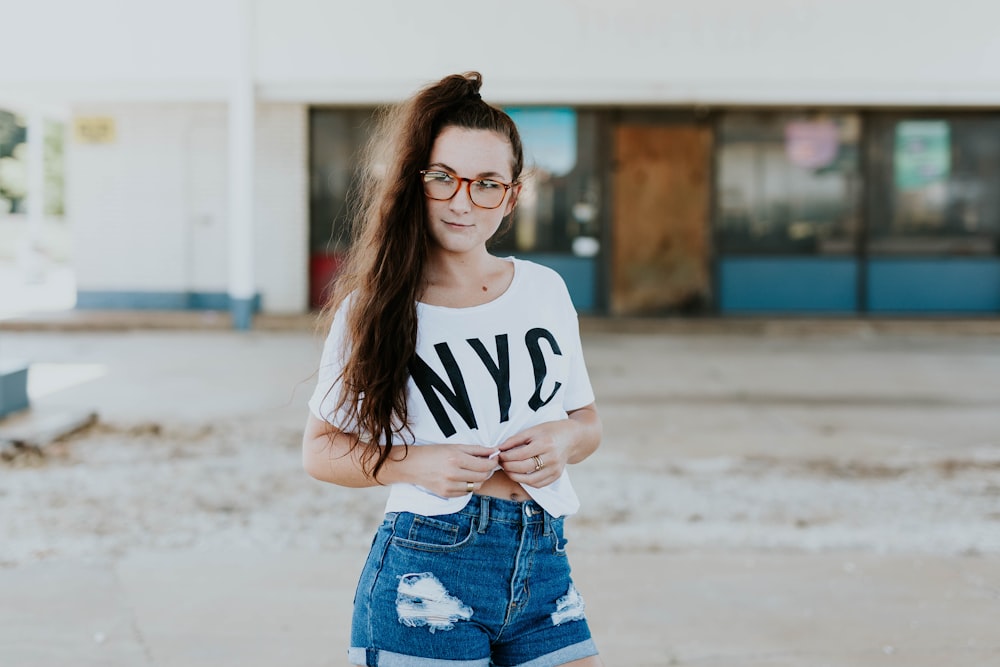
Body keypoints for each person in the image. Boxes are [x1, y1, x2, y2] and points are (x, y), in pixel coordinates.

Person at [302, 71, 604, 667]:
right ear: (416, 184)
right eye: (444, 178)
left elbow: (586, 421)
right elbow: (319, 451)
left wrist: (563, 440)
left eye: (487, 183)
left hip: (543, 563)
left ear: (513, 196)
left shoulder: (544, 290)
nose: (463, 200)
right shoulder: (377, 307)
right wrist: (419, 462)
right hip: (428, 569)